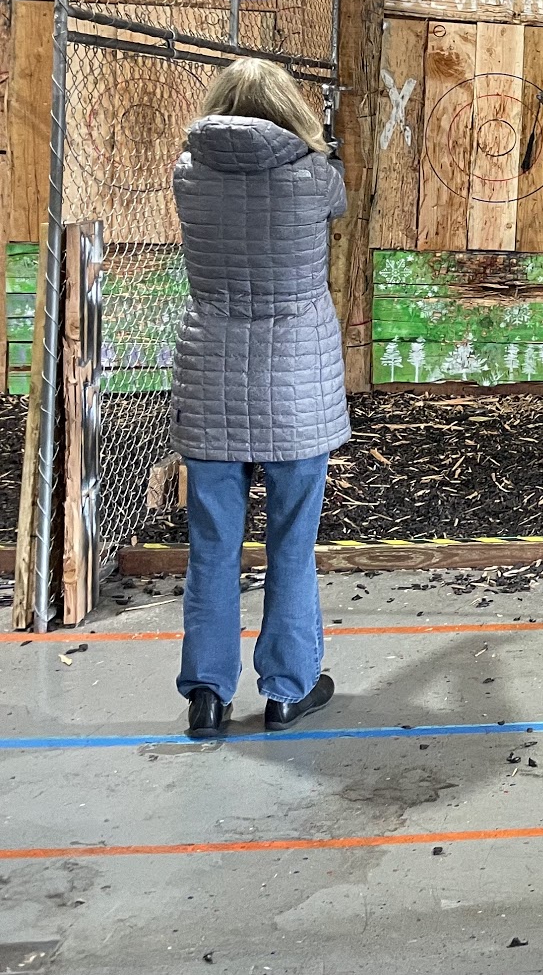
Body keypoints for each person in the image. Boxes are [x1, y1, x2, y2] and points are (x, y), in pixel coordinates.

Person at [173, 58, 349, 739]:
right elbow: (338, 199)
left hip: (211, 381)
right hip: (295, 386)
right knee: (291, 546)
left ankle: (207, 696)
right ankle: (286, 690)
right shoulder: (315, 176)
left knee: (212, 549)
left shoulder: (189, 172)